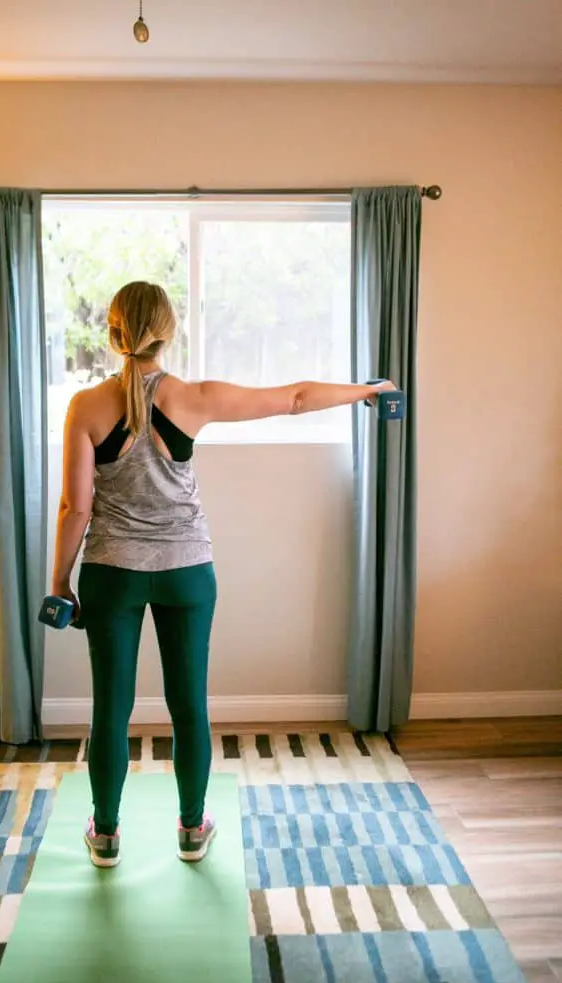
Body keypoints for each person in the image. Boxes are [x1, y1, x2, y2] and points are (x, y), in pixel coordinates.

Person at [50, 280, 396, 868]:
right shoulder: (195, 398)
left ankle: (105, 835)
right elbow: (294, 398)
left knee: (111, 707)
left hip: (112, 573)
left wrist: (59, 582)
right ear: (169, 332)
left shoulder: (86, 406)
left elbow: (76, 507)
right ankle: (191, 830)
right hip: (187, 572)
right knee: (190, 704)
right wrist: (369, 390)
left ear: (114, 334)